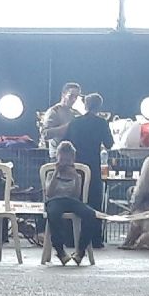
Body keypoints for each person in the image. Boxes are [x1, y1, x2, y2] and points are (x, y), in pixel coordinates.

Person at [65, 92, 114, 246]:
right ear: (99, 106)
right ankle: (95, 239)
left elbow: (66, 142)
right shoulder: (102, 123)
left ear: (85, 105)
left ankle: (71, 238)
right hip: (93, 166)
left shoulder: (75, 122)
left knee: (75, 200)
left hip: (76, 166)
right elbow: (109, 144)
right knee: (93, 202)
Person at [43, 141, 101, 265]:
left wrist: (75, 177)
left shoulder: (76, 175)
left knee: (90, 214)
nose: (65, 163)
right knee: (53, 213)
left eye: (68, 160)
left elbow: (76, 195)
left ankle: (80, 250)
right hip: (55, 200)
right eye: (62, 159)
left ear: (73, 159)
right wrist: (56, 173)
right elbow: (49, 193)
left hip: (71, 200)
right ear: (57, 157)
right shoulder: (50, 173)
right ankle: (60, 251)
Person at [40, 82, 81, 154]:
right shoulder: (54, 111)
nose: (74, 99)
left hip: (74, 156)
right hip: (57, 157)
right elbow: (45, 134)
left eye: (76, 97)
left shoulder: (76, 113)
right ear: (63, 94)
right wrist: (68, 126)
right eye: (71, 96)